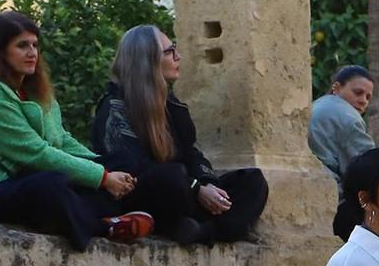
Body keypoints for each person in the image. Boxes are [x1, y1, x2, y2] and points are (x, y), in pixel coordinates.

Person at [0, 11, 153, 249]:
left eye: (35, 45)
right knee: (51, 185)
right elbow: (35, 152)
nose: (32, 53)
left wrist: (104, 168)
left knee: (124, 161)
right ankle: (103, 226)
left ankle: (95, 213)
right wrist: (101, 178)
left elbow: (61, 140)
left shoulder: (34, 89)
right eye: (22, 46)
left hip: (34, 174)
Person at [90, 25, 269, 245]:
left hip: (187, 193)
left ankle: (198, 231)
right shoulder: (114, 108)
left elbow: (192, 153)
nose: (178, 56)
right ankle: (199, 226)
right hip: (149, 196)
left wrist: (207, 183)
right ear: (147, 60)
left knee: (253, 181)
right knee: (171, 178)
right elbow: (132, 169)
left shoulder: (172, 106)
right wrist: (195, 188)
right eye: (169, 51)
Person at [307, 64, 375, 190]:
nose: (363, 101)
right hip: (329, 192)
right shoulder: (349, 118)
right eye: (358, 92)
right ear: (337, 88)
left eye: (368, 97)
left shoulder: (316, 105)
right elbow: (369, 169)